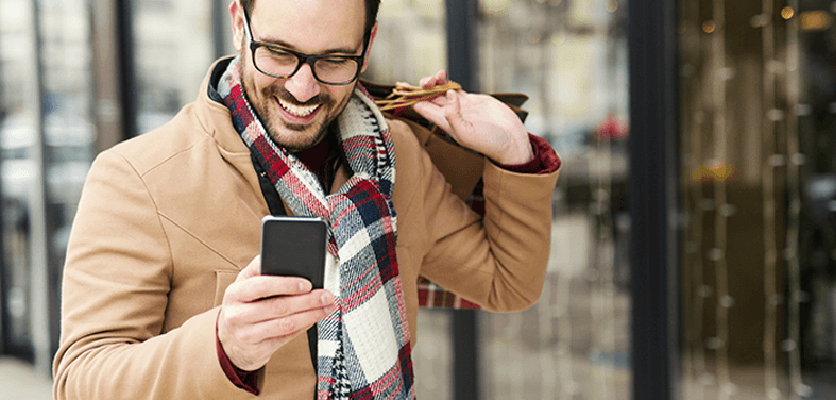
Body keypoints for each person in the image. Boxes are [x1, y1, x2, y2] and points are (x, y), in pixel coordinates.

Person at [51, 0, 560, 398]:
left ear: (368, 42)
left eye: (335, 60)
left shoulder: (397, 153)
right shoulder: (136, 177)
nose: (302, 87)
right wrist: (220, 346)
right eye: (278, 52)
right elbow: (80, 382)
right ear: (238, 24)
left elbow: (506, 283)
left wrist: (513, 153)